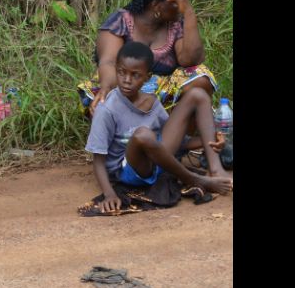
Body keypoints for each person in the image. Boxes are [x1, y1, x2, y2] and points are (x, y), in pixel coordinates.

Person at [85, 42, 233, 213]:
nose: (126, 80)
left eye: (135, 75)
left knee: (198, 94)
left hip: (158, 160)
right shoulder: (107, 109)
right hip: (129, 170)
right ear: (116, 70)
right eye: (121, 72)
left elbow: (177, 142)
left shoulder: (152, 102)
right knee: (143, 135)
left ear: (147, 77)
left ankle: (216, 170)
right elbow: (98, 160)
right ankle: (195, 179)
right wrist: (109, 194)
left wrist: (209, 140)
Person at [78, 0, 218, 119]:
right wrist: (106, 89)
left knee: (201, 78)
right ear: (157, 6)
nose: (180, 6)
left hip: (164, 97)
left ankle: (175, 133)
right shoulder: (120, 22)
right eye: (176, 2)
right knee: (101, 100)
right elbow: (109, 61)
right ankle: (130, 130)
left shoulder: (175, 23)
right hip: (124, 90)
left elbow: (190, 60)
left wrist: (189, 13)